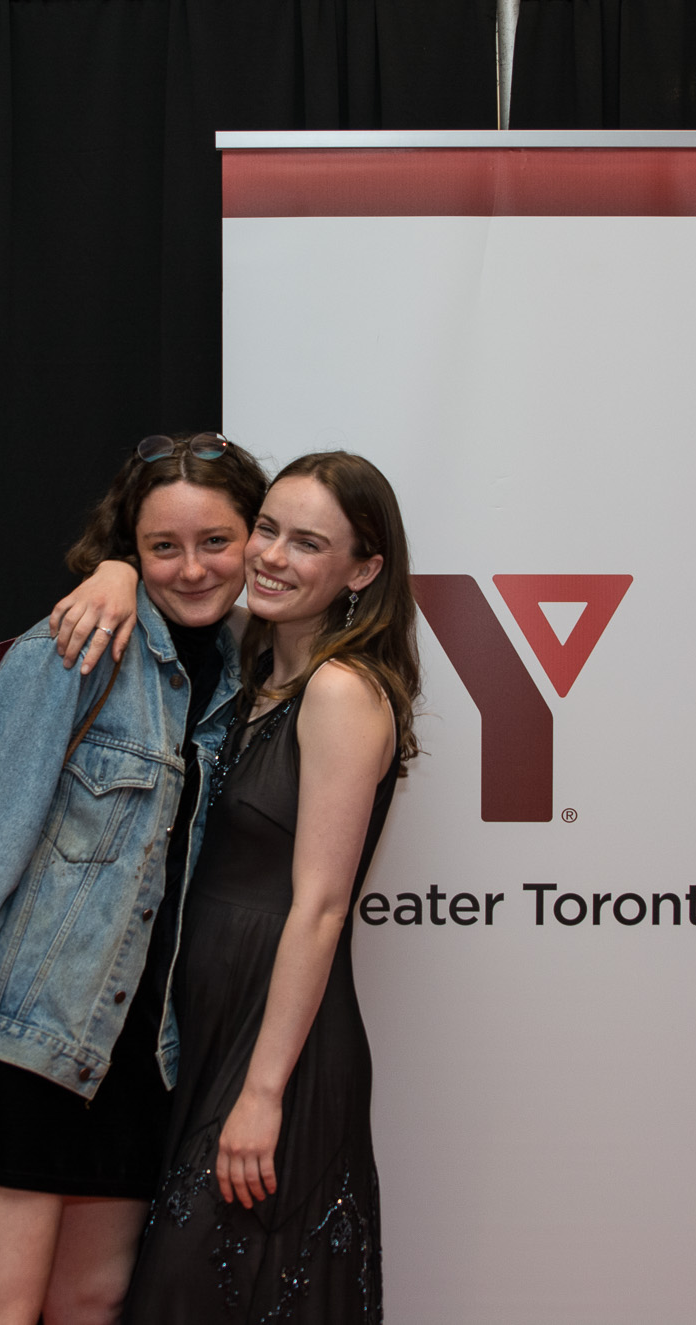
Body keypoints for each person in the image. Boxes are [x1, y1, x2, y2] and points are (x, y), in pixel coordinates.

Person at [0, 432, 269, 1325]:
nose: (193, 567)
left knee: (91, 1303)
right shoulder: (79, 646)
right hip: (23, 1039)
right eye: (161, 547)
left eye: (216, 541)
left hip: (143, 1058)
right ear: (128, 548)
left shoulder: (252, 675)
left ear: (256, 537)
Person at [116, 450, 422, 1323]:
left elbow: (321, 909)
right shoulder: (251, 674)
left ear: (363, 570)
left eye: (309, 543)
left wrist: (261, 1092)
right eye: (269, 529)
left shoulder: (340, 690)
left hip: (278, 1045)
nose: (273, 556)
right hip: (210, 1032)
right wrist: (110, 571)